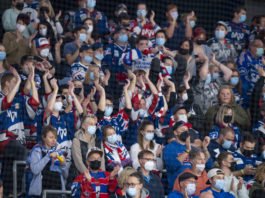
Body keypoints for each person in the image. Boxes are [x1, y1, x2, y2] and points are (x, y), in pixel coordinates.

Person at [28, 125, 67, 197]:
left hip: (58, 190)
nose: (54, 140)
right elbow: (35, 170)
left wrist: (63, 165)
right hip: (42, 191)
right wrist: (48, 156)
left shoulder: (59, 151)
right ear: (44, 137)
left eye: (55, 137)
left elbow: (65, 175)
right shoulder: (37, 150)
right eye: (51, 137)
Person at [163, 121, 193, 191]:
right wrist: (187, 150)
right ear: (175, 132)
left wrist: (204, 148)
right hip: (176, 187)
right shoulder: (169, 147)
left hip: (192, 186)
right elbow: (172, 166)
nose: (185, 132)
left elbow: (207, 165)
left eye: (187, 131)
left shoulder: (193, 148)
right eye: (182, 130)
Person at [237, 38, 265, 108]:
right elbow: (243, 74)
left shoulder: (262, 59)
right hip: (248, 89)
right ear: (251, 47)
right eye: (257, 46)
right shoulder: (244, 56)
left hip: (260, 90)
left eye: (262, 47)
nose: (260, 49)